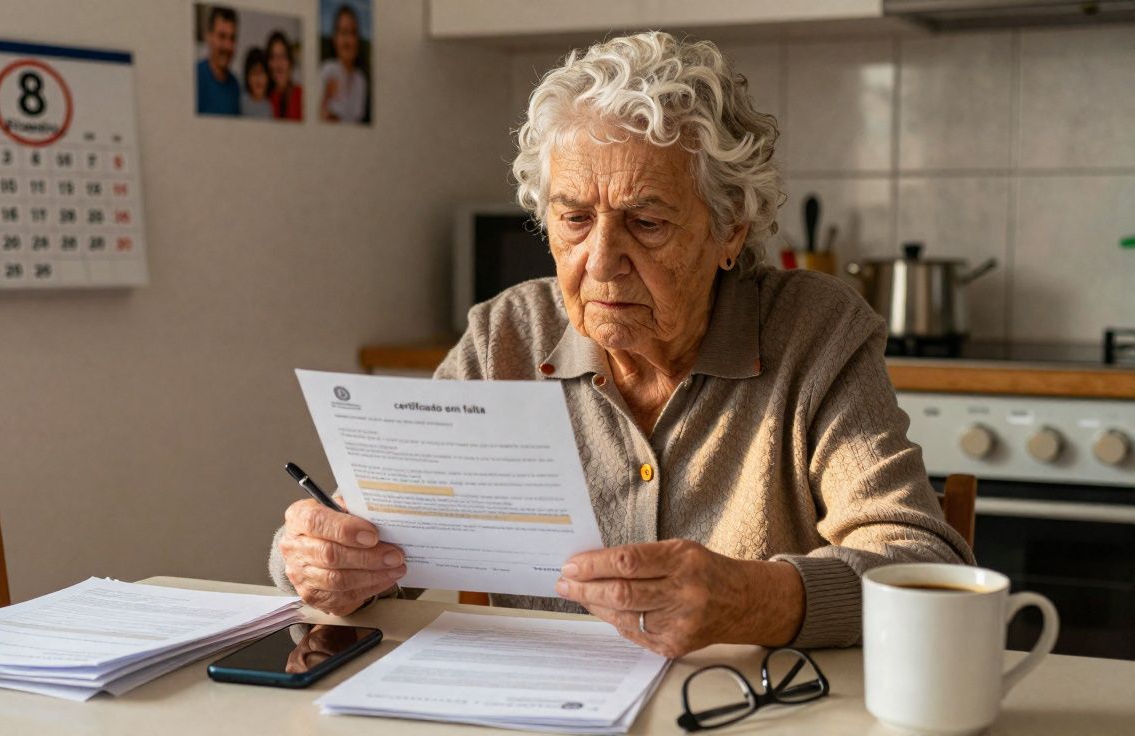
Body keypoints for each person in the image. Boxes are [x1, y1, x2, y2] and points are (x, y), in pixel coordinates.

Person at [269, 32, 973, 658]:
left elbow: (918, 564)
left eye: (646, 222)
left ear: (731, 229)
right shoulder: (504, 338)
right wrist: (319, 560)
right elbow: (372, 533)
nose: (600, 261)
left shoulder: (814, 335)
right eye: (574, 218)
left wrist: (752, 598)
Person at [319, 4, 368, 123]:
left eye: (352, 33)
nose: (347, 40)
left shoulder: (360, 80)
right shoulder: (327, 70)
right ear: (335, 39)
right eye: (343, 33)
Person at [196, 5, 241, 116]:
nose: (228, 46)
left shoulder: (235, 85)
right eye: (222, 36)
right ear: (209, 36)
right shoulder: (195, 77)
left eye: (232, 38)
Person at [266, 31, 303, 121]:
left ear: (290, 62)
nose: (278, 64)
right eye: (273, 57)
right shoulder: (266, 99)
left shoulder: (302, 95)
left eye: (283, 56)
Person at [240, 47, 274, 119]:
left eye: (262, 73)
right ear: (247, 77)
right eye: (254, 73)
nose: (258, 79)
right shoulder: (240, 104)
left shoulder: (271, 106)